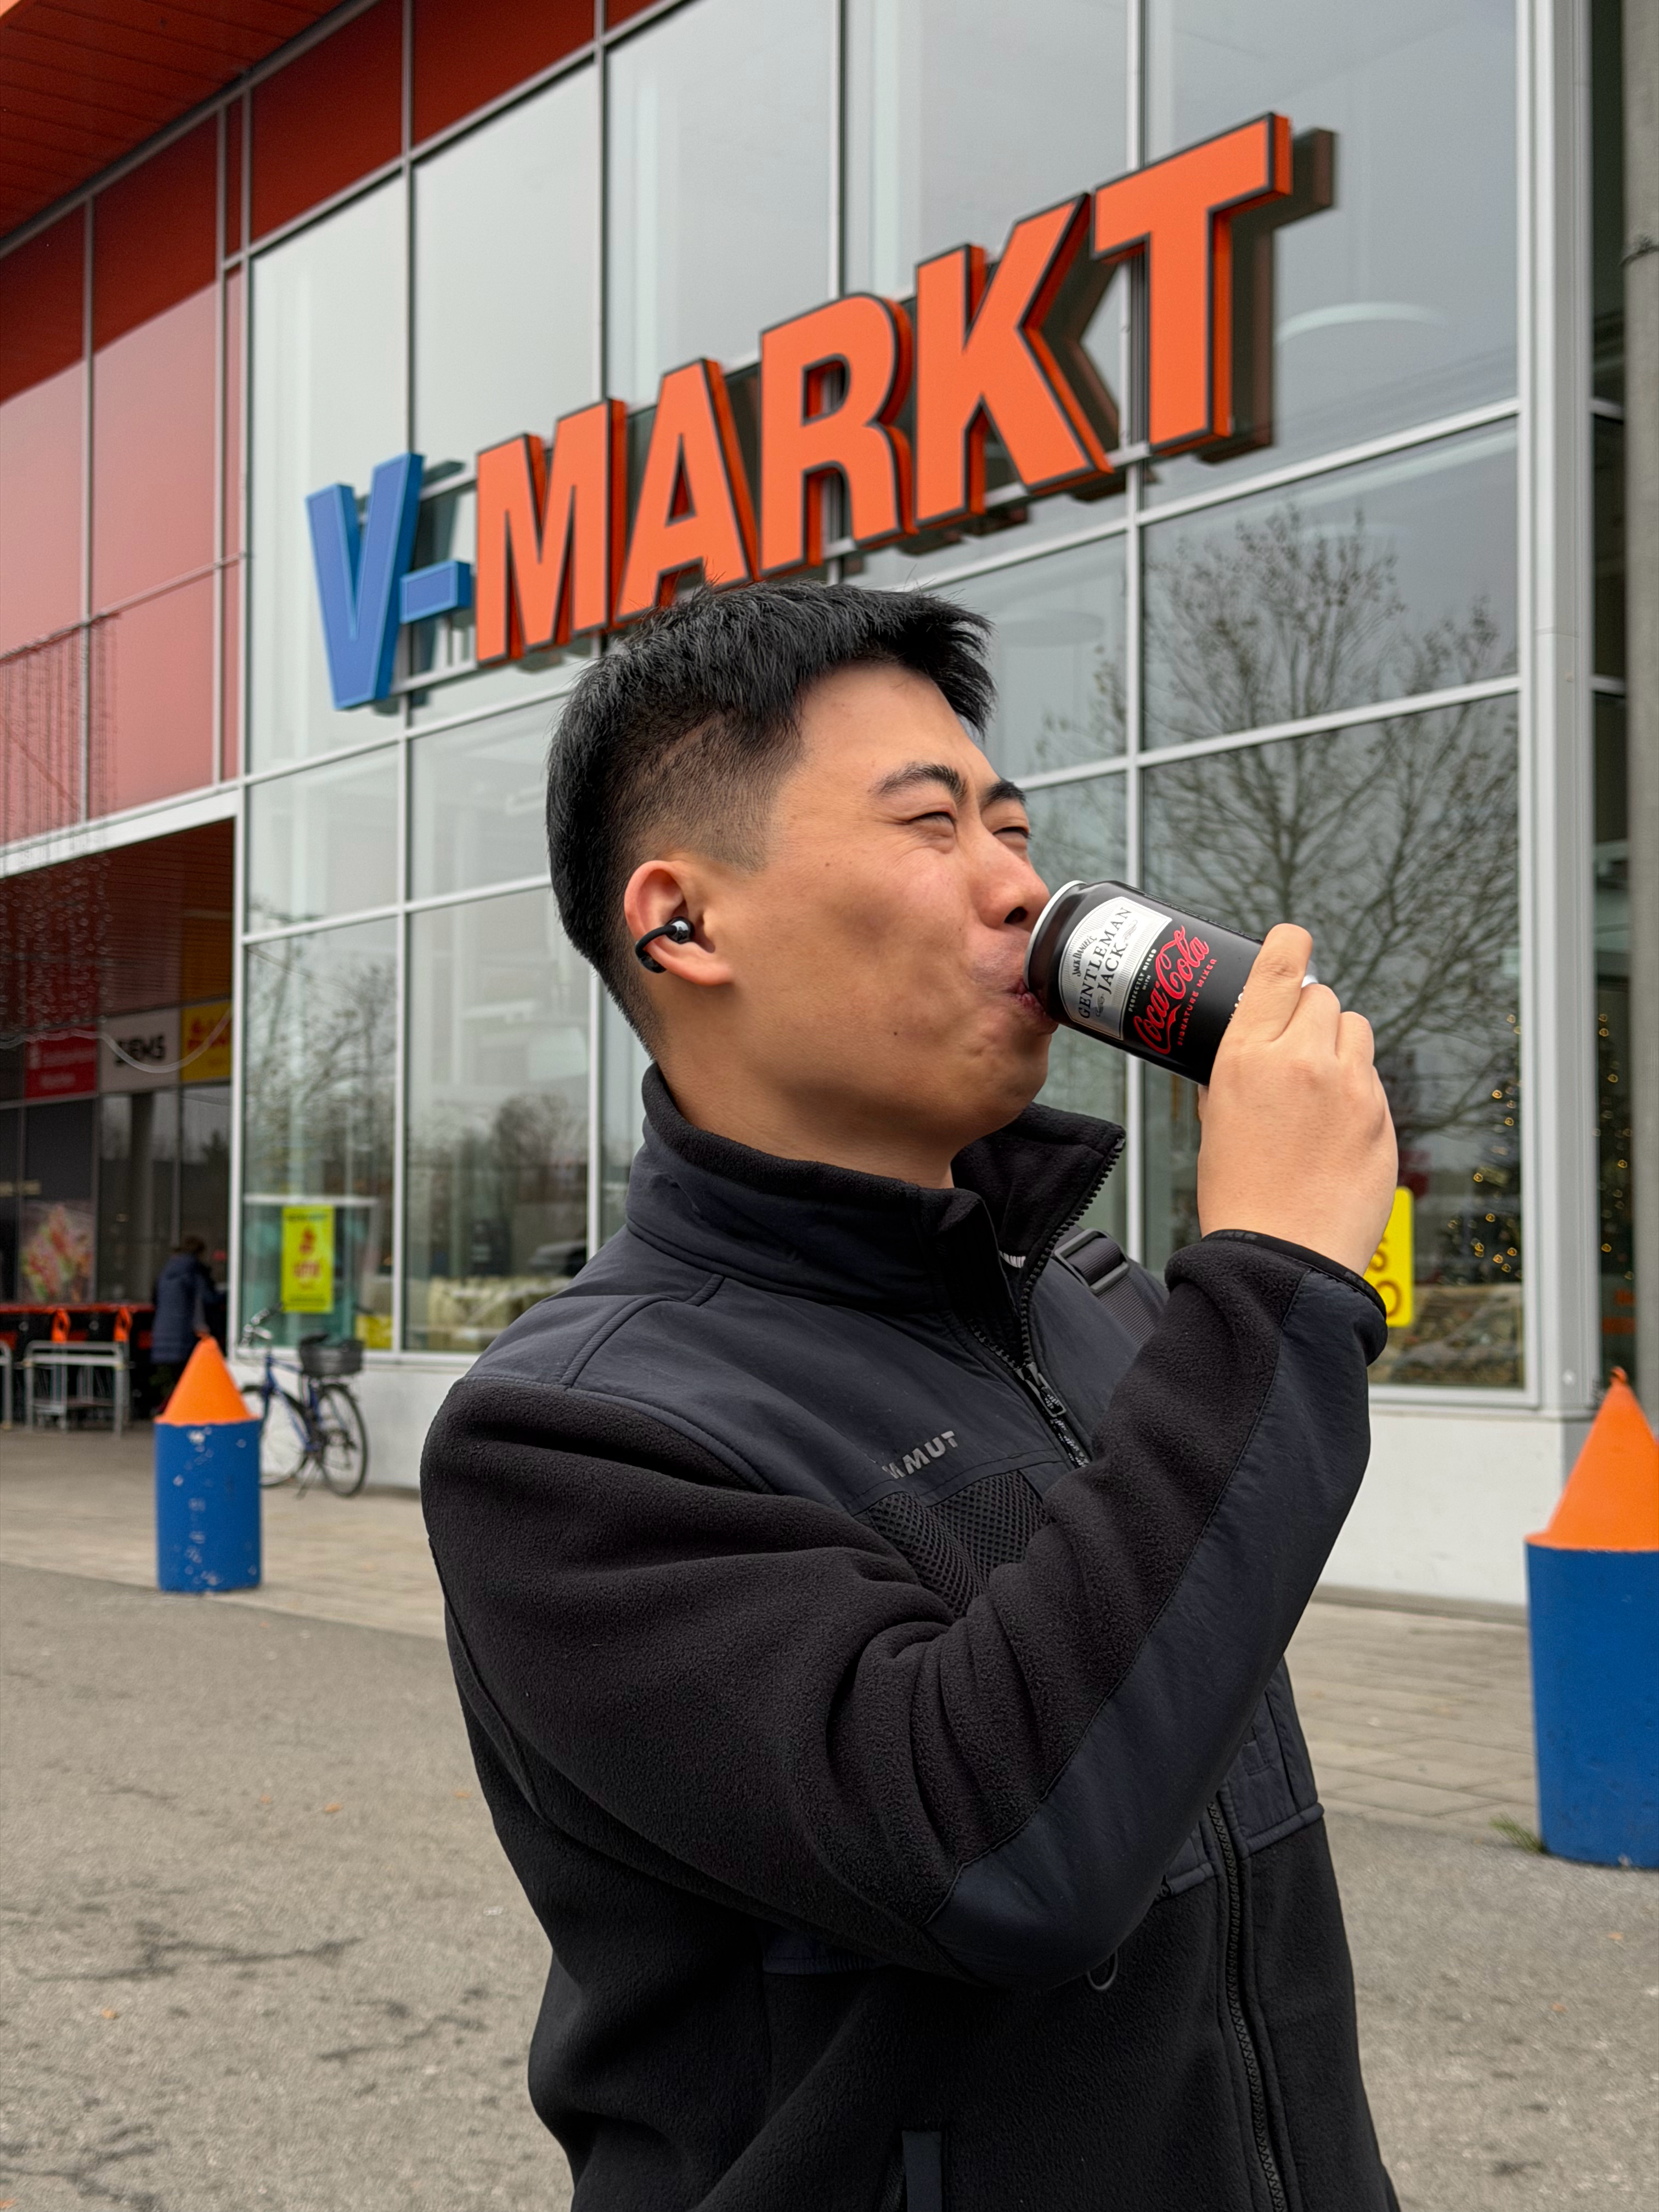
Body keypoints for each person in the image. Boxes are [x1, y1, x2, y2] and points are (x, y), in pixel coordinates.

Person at [421, 583, 1401, 2211]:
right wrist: (1275, 1281)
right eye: (932, 824)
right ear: (685, 924)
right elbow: (1003, 1851)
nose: (1021, 885)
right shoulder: (569, 1441)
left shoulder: (1096, 1306)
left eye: (1012, 828)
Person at [149, 1234, 216, 1410]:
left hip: (162, 1332)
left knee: (177, 1378)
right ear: (199, 1253)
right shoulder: (195, 1272)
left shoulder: (165, 1272)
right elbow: (208, 1298)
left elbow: (155, 1300)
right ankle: (175, 1410)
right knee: (191, 1377)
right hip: (185, 1334)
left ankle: (169, 1408)